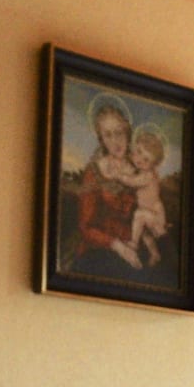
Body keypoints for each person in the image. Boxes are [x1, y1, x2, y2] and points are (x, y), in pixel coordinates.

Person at [75, 95, 139, 265]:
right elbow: (85, 227)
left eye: (119, 133)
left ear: (127, 132)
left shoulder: (140, 169)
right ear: (101, 140)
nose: (115, 141)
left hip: (134, 246)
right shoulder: (94, 172)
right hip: (101, 249)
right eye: (108, 135)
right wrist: (118, 246)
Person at [117, 125, 169, 269]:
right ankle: (155, 254)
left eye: (146, 160)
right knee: (145, 235)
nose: (139, 159)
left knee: (139, 215)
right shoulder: (142, 170)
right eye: (139, 151)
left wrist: (119, 175)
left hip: (155, 216)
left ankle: (133, 244)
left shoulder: (148, 175)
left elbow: (132, 182)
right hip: (150, 214)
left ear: (153, 165)